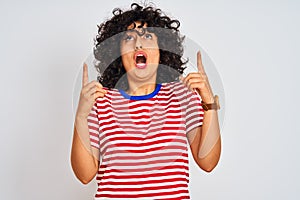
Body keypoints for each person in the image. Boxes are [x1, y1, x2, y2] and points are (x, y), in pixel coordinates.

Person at [71, 3, 221, 199]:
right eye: (129, 38)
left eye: (147, 36)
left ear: (161, 50)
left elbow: (208, 162)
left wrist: (209, 103)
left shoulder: (183, 95)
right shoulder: (100, 101)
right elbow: (84, 175)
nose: (138, 44)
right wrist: (81, 116)